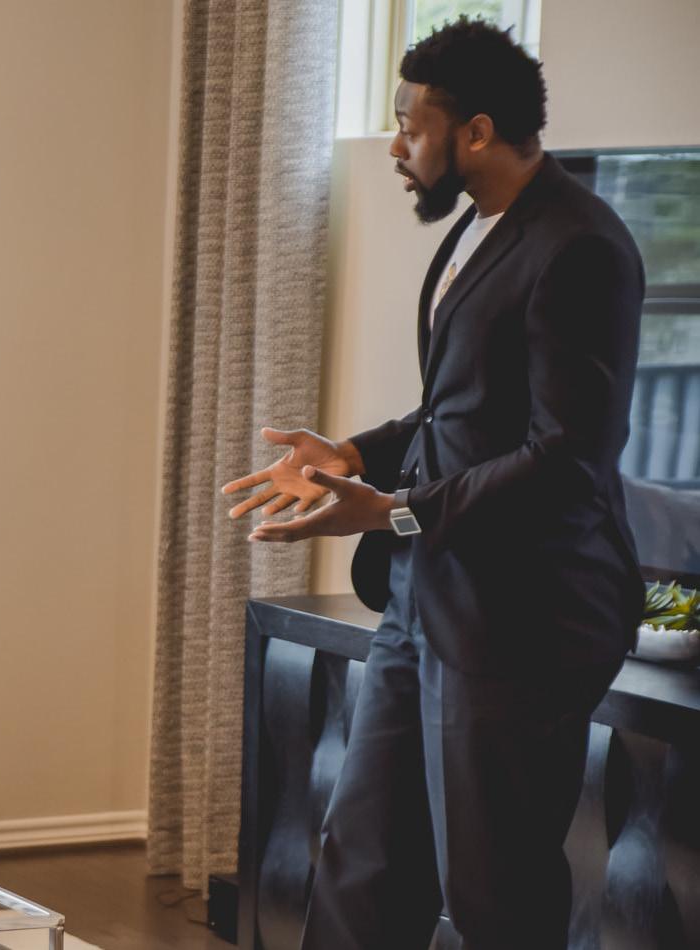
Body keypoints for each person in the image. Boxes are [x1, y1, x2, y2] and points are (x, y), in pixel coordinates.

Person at [222, 17, 646, 950]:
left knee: (495, 897)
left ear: (476, 132)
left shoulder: (580, 245)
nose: (395, 147)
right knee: (362, 866)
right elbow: (458, 411)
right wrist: (351, 454)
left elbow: (567, 458)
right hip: (426, 601)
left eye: (410, 127)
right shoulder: (479, 227)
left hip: (523, 621)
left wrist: (393, 512)